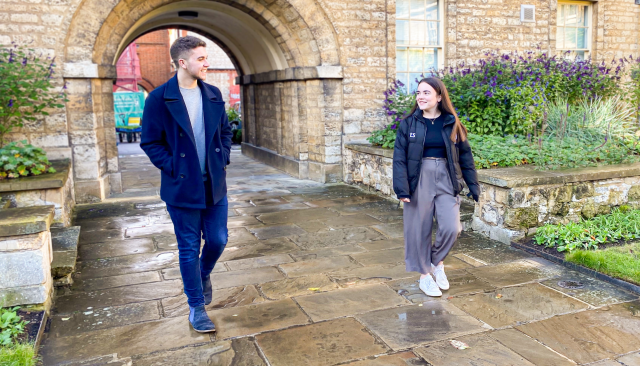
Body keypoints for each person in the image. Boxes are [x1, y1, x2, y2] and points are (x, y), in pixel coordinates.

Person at [140, 36, 232, 332]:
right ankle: (196, 307)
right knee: (189, 248)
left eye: (206, 58)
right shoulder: (159, 98)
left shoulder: (214, 94)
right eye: (202, 59)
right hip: (181, 188)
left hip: (214, 185)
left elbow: (226, 133)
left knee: (218, 240)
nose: (207, 63)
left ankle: (203, 274)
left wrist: (223, 159)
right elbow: (150, 141)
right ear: (183, 62)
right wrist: (174, 167)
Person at [392, 77, 480, 297]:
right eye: (418, 93)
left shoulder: (452, 123)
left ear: (439, 97)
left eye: (426, 93)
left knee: (452, 228)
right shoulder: (409, 124)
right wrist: (402, 188)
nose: (420, 97)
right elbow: (399, 158)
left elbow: (465, 157)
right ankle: (424, 276)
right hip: (418, 178)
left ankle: (436, 262)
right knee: (418, 229)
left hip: (446, 178)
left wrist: (472, 185)